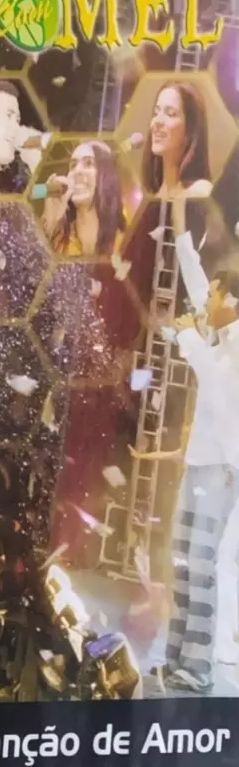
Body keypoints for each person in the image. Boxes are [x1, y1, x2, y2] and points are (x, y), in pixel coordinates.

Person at [160, 268, 239, 692]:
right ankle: (176, 656)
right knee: (183, 561)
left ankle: (200, 666)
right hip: (199, 463)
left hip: (221, 468)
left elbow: (220, 386)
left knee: (202, 563)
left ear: (231, 301)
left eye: (212, 295)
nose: (206, 302)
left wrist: (190, 337)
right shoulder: (220, 341)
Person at [41, 140, 126, 256]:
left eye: (89, 163)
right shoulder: (58, 238)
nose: (77, 171)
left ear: (106, 177)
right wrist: (50, 222)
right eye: (73, 165)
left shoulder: (125, 240)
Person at [142, 81, 213, 200]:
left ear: (190, 130)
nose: (157, 121)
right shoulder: (155, 197)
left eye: (171, 114)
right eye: (156, 113)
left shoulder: (200, 191)